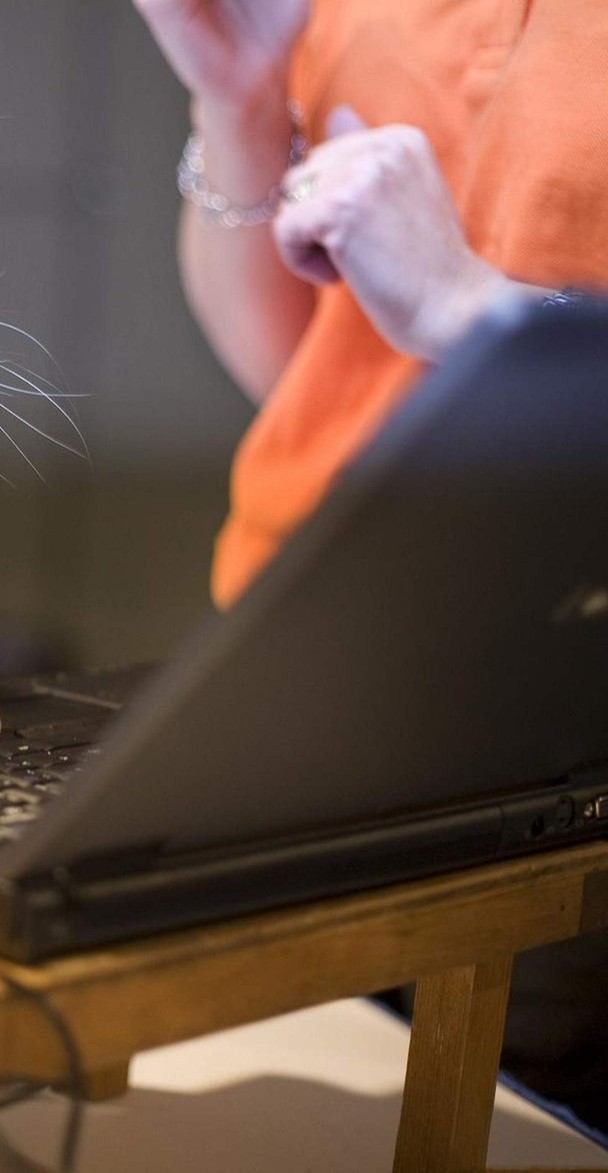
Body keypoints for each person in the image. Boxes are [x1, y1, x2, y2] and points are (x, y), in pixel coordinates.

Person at [132, 0, 608, 1134]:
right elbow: (298, 363)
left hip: (567, 720)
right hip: (308, 675)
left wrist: (476, 309)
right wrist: (242, 106)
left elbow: (438, 303)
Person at [132, 0, 608, 608]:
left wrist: (468, 304)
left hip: (555, 620)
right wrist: (244, 106)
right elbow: (296, 375)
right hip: (299, 605)